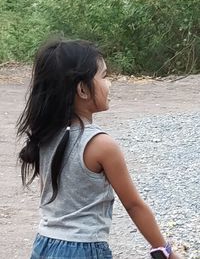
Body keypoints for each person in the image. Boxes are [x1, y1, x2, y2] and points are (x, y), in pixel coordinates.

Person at [17, 39, 183, 259]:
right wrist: (165, 251)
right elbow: (133, 205)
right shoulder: (101, 145)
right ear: (83, 89)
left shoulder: (47, 136)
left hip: (44, 244)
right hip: (83, 250)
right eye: (104, 76)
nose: (110, 83)